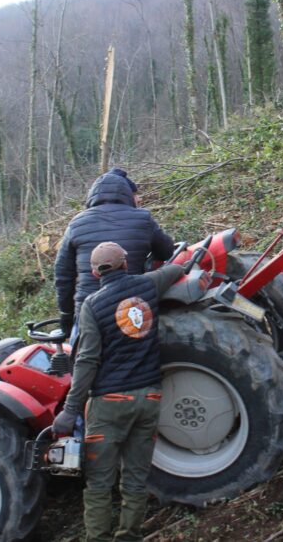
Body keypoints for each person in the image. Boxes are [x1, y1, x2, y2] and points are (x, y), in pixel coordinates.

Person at [51, 242, 185, 542]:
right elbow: (176, 269)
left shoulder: (92, 306)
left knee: (99, 482)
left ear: (95, 273)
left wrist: (71, 409)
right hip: (148, 399)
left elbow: (86, 360)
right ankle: (129, 536)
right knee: (136, 479)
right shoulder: (148, 285)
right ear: (126, 264)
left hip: (109, 405)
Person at [54, 167, 175, 340]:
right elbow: (166, 251)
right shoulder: (142, 218)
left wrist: (66, 315)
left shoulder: (76, 224)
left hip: (90, 312)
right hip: (131, 309)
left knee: (81, 356)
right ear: (127, 194)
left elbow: (63, 276)